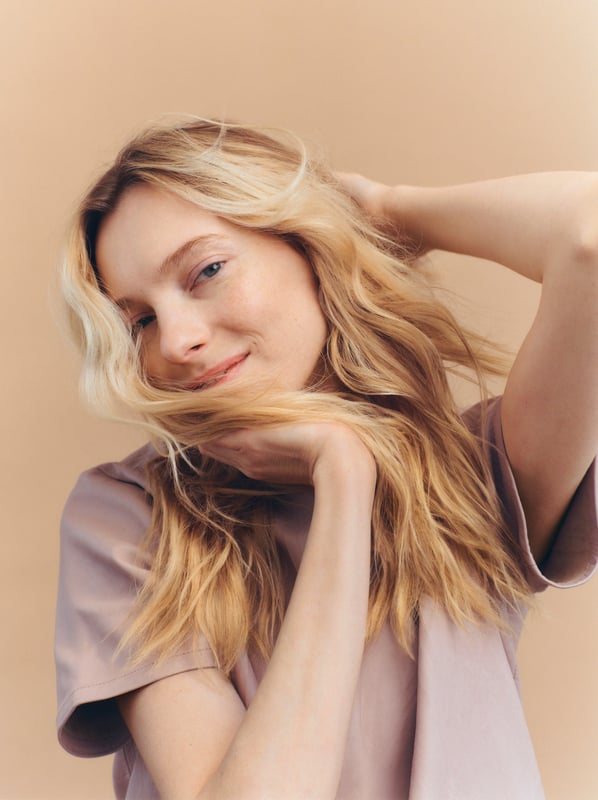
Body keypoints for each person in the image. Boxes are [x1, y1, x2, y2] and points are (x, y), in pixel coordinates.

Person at [55, 118, 598, 800]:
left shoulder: (473, 473)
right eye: (139, 320)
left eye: (207, 271)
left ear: (310, 248)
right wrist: (343, 473)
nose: (178, 340)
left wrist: (383, 209)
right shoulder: (127, 516)